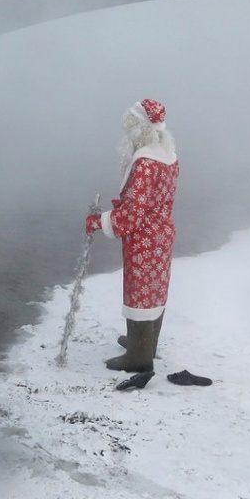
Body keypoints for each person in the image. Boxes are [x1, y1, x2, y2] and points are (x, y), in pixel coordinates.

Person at [85, 99, 178, 373]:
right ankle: (146, 344)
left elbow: (131, 216)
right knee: (154, 289)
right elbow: (151, 199)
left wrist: (98, 221)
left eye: (130, 126)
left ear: (140, 128)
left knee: (140, 293)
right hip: (162, 232)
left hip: (145, 238)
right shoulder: (168, 154)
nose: (127, 132)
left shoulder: (146, 163)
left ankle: (139, 357)